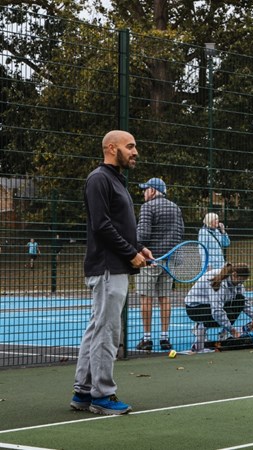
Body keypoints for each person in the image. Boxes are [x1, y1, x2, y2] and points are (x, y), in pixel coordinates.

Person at [70, 130, 153, 416]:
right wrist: (130, 253)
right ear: (111, 147)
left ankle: (83, 392)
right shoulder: (99, 179)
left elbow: (119, 224)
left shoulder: (116, 180)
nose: (135, 151)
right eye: (130, 146)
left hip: (114, 265)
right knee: (107, 331)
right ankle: (102, 395)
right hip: (108, 267)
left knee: (97, 328)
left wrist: (139, 247)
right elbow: (101, 226)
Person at [134, 177, 184, 351]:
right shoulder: (176, 208)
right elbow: (180, 232)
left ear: (153, 191)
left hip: (150, 259)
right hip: (168, 260)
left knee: (146, 298)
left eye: (145, 189)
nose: (143, 192)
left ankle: (147, 339)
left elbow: (142, 234)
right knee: (165, 298)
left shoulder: (148, 206)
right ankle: (165, 337)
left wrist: (140, 249)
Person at [185, 263, 253, 352]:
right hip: (195, 309)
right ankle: (199, 333)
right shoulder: (218, 283)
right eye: (240, 281)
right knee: (218, 316)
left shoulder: (236, 282)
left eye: (242, 282)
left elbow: (244, 301)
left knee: (240, 300)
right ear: (234, 275)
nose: (241, 284)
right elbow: (217, 311)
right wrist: (232, 330)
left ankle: (223, 334)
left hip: (210, 304)